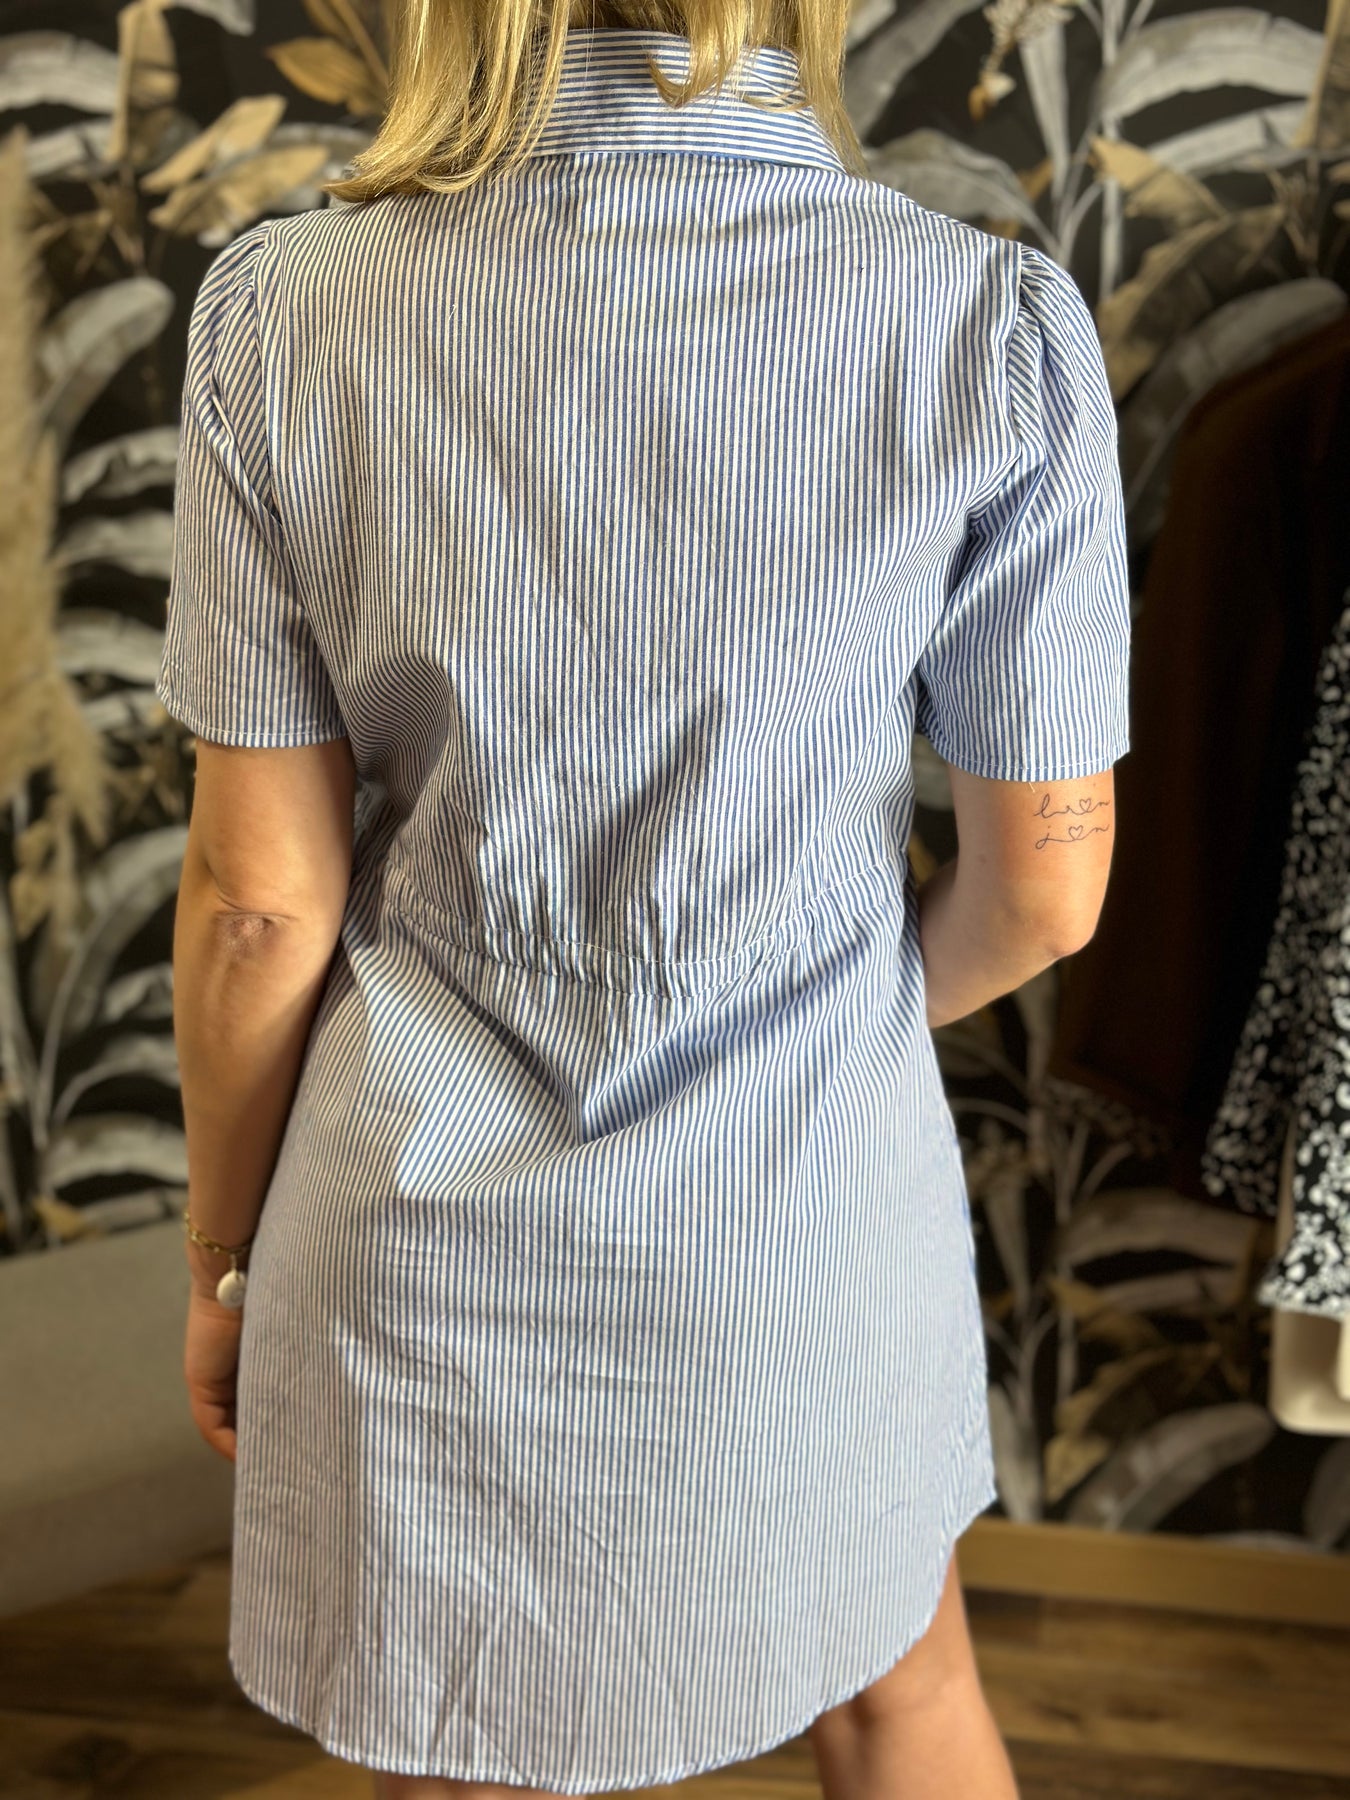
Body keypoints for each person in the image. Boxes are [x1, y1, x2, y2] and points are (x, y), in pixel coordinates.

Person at [161, 3, 1131, 1797]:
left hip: (419, 1236)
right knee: (898, 1691)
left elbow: (254, 909)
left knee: (468, 1744)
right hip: (802, 1220)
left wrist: (225, 1256)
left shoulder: (285, 310)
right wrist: (806, 1015)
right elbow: (1046, 888)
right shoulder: (983, 325)